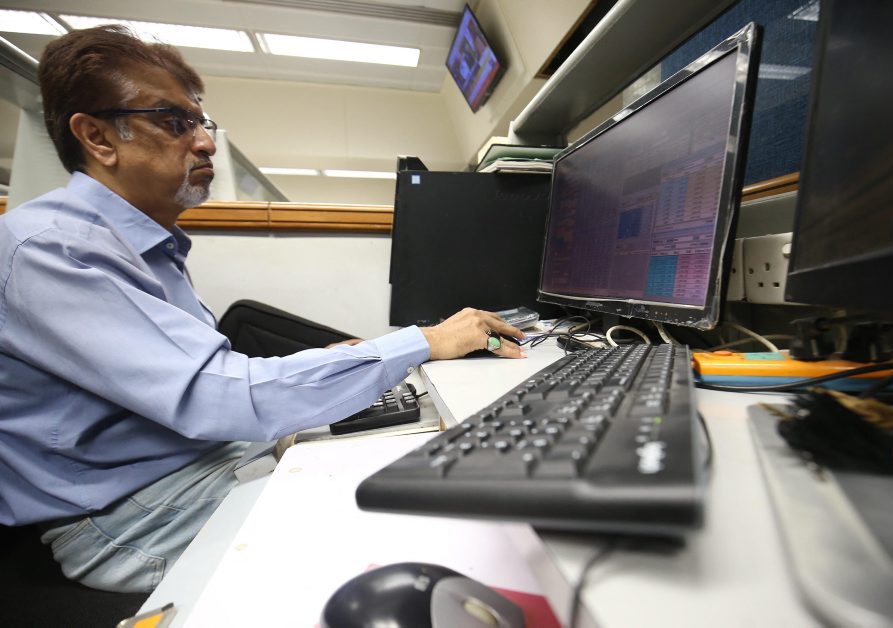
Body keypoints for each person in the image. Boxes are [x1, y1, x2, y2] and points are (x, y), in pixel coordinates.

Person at [0, 25, 524, 593]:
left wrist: (336, 362)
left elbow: (200, 382)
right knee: (431, 521)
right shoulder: (52, 249)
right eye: (175, 122)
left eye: (202, 122)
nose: (205, 143)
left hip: (194, 465)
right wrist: (422, 341)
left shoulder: (144, 244)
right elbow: (216, 396)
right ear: (98, 137)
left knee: (421, 461)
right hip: (131, 516)